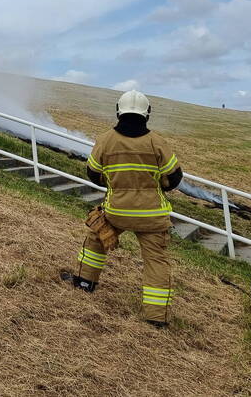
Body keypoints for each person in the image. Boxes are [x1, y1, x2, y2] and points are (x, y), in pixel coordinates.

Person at [64, 89, 184, 328]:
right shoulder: (157, 142)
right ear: (147, 114)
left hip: (116, 212)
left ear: (119, 111)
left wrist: (115, 185)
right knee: (156, 261)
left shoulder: (106, 140)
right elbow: (174, 178)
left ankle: (84, 283)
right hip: (152, 216)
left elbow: (94, 173)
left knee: (95, 240)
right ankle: (156, 317)